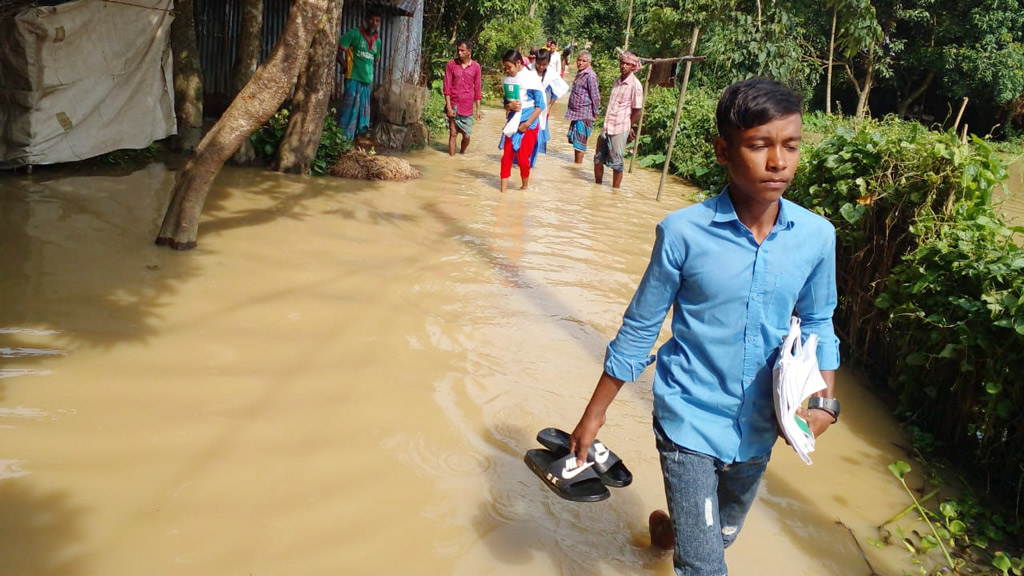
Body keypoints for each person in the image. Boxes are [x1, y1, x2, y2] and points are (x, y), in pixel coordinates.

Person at [567, 76, 841, 575]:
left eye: (791, 146)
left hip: (762, 427)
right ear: (722, 149)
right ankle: (688, 539)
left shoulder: (817, 237)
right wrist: (594, 416)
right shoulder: (682, 233)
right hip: (687, 419)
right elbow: (640, 329)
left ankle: (669, 531)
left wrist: (824, 402)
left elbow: (820, 320)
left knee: (719, 536)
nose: (778, 162)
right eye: (759, 146)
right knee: (705, 566)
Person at [593, 51, 643, 188]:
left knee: (617, 163)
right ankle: (597, 186)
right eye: (622, 63)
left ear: (633, 67)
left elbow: (637, 109)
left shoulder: (635, 85)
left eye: (628, 64)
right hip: (607, 125)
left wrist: (628, 126)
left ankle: (615, 191)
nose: (624, 66)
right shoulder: (617, 81)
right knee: (598, 159)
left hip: (620, 127)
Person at [498, 50, 545, 193]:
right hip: (513, 122)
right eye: (505, 68)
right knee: (506, 157)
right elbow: (507, 103)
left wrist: (526, 124)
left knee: (524, 159)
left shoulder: (531, 79)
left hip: (528, 124)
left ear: (518, 63)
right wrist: (509, 106)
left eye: (509, 67)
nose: (507, 70)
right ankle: (503, 191)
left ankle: (524, 187)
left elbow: (540, 106)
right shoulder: (510, 80)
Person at [337, 12, 382, 143]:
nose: (374, 23)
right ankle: (341, 140)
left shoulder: (377, 41)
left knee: (362, 114)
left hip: (366, 82)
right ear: (366, 20)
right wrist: (344, 64)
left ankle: (355, 139)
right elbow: (336, 48)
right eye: (372, 19)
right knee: (349, 111)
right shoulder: (354, 34)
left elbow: (375, 61)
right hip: (353, 78)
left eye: (377, 20)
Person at [442, 39, 483, 156]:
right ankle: (451, 160)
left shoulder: (476, 67)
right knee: (453, 133)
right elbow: (447, 88)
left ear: (469, 51)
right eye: (458, 50)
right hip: (454, 104)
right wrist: (449, 107)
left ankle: (462, 152)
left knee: (467, 135)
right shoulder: (451, 65)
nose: (459, 53)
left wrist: (478, 109)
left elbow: (478, 89)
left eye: (462, 50)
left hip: (467, 106)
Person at [564, 50, 601, 164]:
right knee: (576, 140)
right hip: (576, 112)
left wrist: (595, 112)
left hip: (585, 113)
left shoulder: (590, 76)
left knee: (580, 141)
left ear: (589, 62)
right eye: (579, 60)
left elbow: (595, 96)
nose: (580, 63)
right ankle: (576, 163)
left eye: (583, 61)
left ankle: (578, 165)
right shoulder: (580, 73)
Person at [533, 49, 568, 157]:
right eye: (539, 64)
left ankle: (534, 158)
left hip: (542, 108)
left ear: (548, 63)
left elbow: (557, 90)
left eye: (544, 64)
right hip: (528, 106)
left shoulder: (551, 74)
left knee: (539, 132)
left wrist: (549, 106)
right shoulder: (529, 70)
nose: (541, 67)